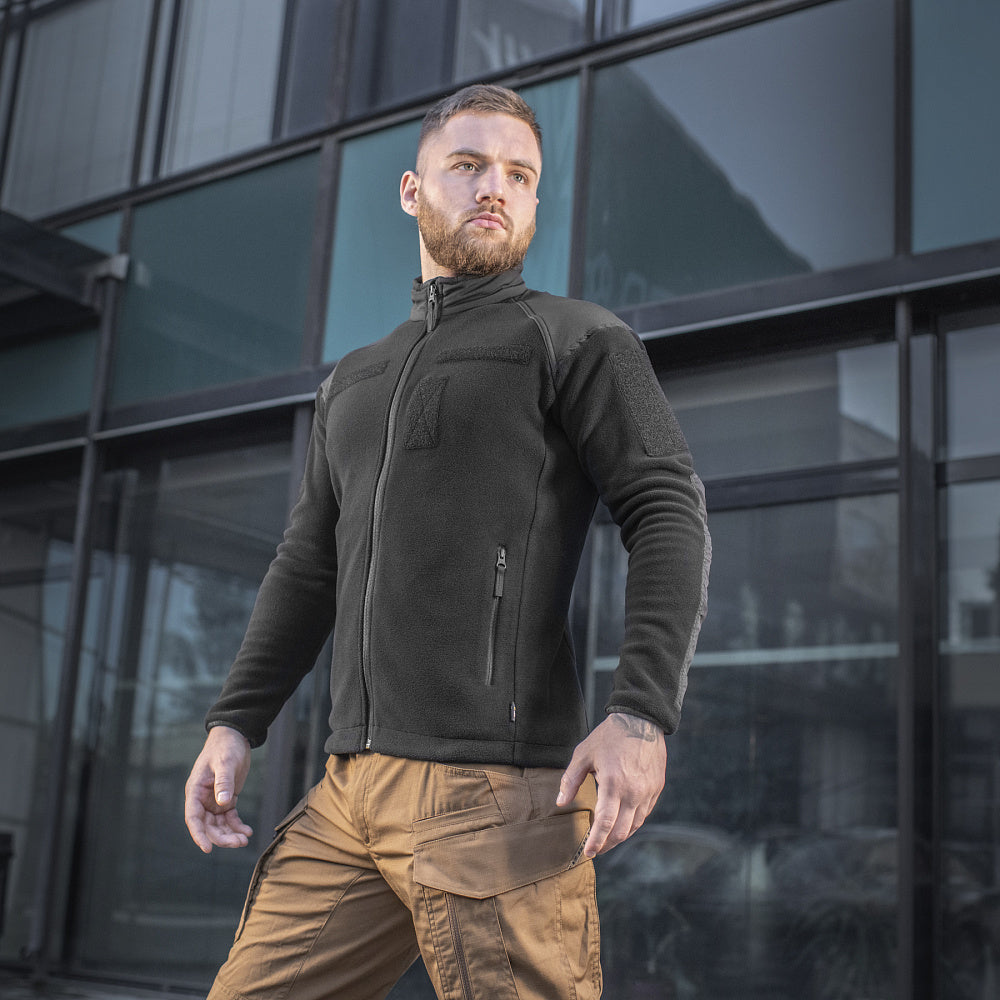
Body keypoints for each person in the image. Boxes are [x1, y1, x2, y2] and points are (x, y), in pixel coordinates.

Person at [184, 83, 710, 1000]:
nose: (494, 187)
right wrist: (235, 720)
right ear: (411, 189)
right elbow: (308, 563)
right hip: (349, 794)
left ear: (535, 200)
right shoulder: (353, 381)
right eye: (468, 165)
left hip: (491, 796)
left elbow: (667, 506)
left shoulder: (578, 339)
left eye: (519, 174)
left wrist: (641, 714)